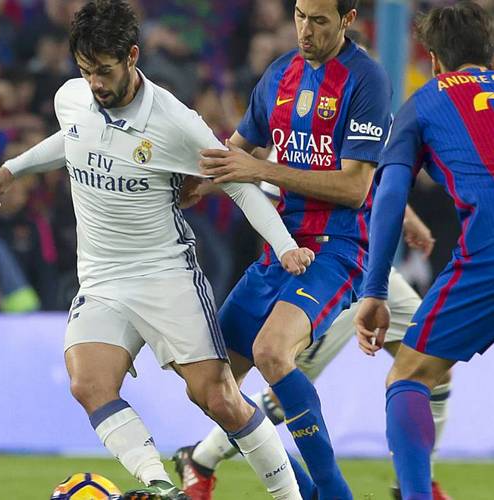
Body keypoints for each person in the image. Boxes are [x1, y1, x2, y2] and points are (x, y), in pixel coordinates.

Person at [0, 2, 316, 499]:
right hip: (102, 281)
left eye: (105, 70)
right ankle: (161, 488)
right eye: (86, 70)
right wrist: (13, 168)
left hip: (165, 277)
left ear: (132, 56)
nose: (95, 82)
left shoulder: (174, 122)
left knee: (218, 397)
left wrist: (285, 246)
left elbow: (240, 184)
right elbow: (72, 139)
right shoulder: (71, 97)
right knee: (89, 384)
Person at [173, 0, 393, 498]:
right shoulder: (279, 74)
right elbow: (237, 150)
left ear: (348, 20)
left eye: (319, 19)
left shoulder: (366, 80)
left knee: (272, 352)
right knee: (209, 387)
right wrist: (197, 184)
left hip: (338, 247)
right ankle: (304, 488)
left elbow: (355, 187)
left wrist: (262, 170)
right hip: (280, 247)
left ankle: (334, 492)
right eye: (299, 15)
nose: (305, 29)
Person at [174, 197, 454, 500]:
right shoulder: (286, 165)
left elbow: (373, 178)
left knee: (432, 365)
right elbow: (274, 193)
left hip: (374, 263)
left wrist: (403, 212)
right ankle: (204, 458)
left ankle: (417, 479)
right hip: (320, 263)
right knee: (282, 381)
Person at [355, 2, 494, 498]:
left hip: (488, 251)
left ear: (433, 59)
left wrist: (374, 290)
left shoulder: (424, 102)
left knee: (408, 377)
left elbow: (390, 195)